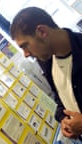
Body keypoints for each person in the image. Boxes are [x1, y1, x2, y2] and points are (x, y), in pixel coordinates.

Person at [10, 7, 82, 140]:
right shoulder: (47, 62)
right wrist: (63, 118)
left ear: (42, 31)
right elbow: (62, 97)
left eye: (25, 45)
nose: (26, 54)